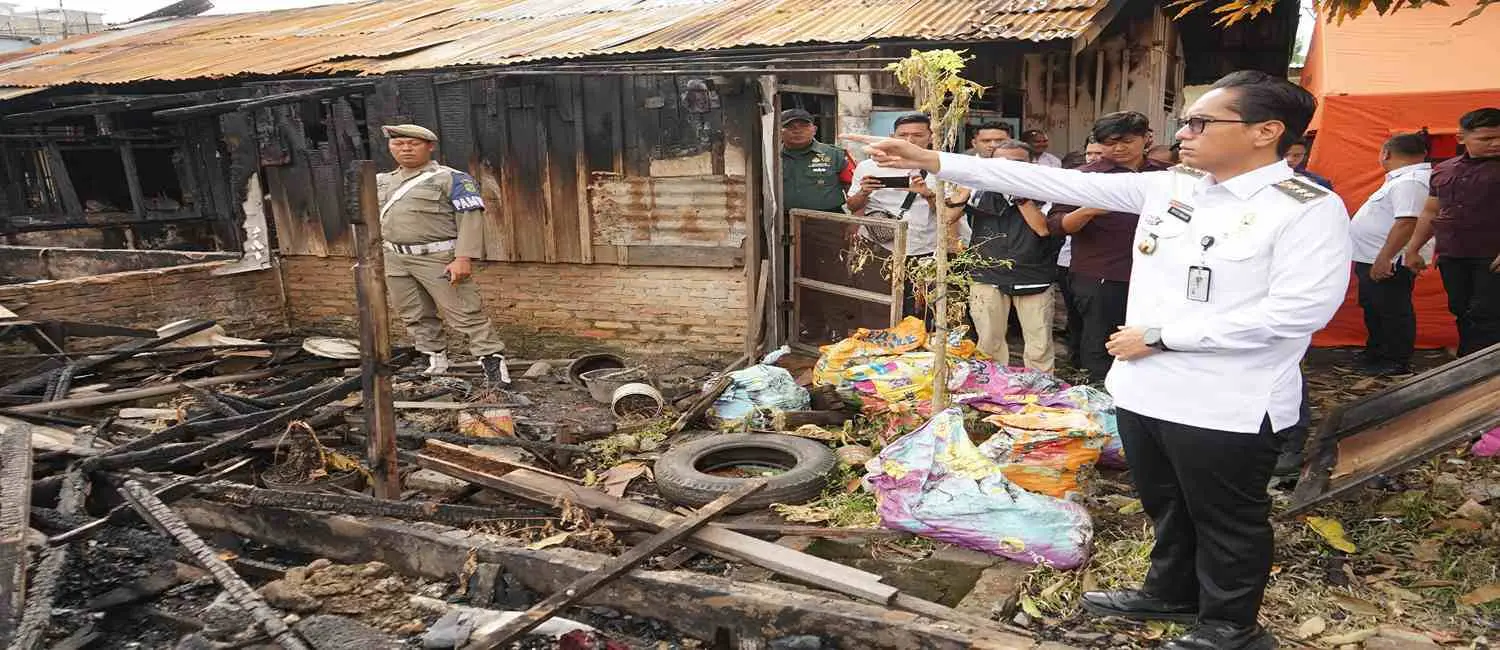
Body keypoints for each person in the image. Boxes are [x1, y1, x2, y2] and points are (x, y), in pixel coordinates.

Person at [847, 69, 1351, 650]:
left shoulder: (1306, 208)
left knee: (1226, 519)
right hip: (1145, 390)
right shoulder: (1171, 186)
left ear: (1266, 132)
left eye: (1202, 122)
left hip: (1226, 401)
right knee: (1166, 503)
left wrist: (1163, 336)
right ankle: (1170, 594)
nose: (1184, 133)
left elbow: (1297, 313)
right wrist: (933, 158)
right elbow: (1032, 176)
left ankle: (1230, 627)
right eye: (1187, 121)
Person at [377, 124, 510, 386]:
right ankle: (434, 359)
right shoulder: (383, 181)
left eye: (413, 144)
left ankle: (493, 363)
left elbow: (470, 218)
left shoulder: (452, 178)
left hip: (439, 257)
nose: (405, 148)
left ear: (430, 146)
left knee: (465, 311)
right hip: (395, 257)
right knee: (413, 312)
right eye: (399, 143)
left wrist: (463, 257)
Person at [1045, 111, 1171, 381]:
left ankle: (1142, 395)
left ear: (1146, 137)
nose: (1118, 148)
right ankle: (1100, 399)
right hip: (1101, 273)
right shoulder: (1085, 177)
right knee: (1101, 341)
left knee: (1150, 338)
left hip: (1157, 273)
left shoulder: (1163, 176)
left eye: (1125, 141)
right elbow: (1055, 226)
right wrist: (1088, 210)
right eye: (1108, 142)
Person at [947, 139, 1060, 369]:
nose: (1008, 167)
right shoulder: (980, 188)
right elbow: (947, 219)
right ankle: (993, 389)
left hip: (1033, 275)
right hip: (986, 274)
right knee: (988, 342)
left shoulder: (1047, 188)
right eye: (1001, 163)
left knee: (1039, 344)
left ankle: (1041, 393)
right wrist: (966, 188)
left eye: (1016, 163)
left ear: (1032, 163)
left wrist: (1018, 193)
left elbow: (1042, 228)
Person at [1404, 107, 1500, 357]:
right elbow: (1431, 211)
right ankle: (1466, 364)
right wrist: (1413, 248)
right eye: (1486, 139)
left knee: (1487, 315)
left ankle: (1483, 376)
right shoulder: (1444, 170)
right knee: (1461, 309)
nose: (1496, 144)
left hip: (1492, 256)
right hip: (1453, 254)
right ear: (1462, 138)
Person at [1349, 133, 1431, 375]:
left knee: (1392, 308)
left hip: (1388, 258)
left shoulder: (1411, 181)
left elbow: (1407, 222)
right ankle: (1376, 351)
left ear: (1386, 153)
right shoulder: (1403, 178)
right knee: (1374, 305)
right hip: (1372, 255)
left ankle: (1395, 360)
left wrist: (1385, 257)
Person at [847, 113, 944, 319]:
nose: (909, 141)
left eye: (917, 135)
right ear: (892, 136)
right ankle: (879, 346)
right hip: (878, 248)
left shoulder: (941, 168)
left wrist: (927, 194)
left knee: (920, 308)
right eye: (903, 135)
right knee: (877, 305)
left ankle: (915, 347)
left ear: (930, 137)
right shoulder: (868, 166)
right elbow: (852, 205)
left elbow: (951, 215)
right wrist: (864, 191)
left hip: (923, 249)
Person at [781, 108, 854, 213]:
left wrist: (853, 226)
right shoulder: (770, 157)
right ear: (779, 131)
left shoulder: (836, 155)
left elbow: (854, 189)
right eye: (790, 126)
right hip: (782, 221)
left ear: (814, 130)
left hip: (827, 220)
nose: (797, 130)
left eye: (804, 126)